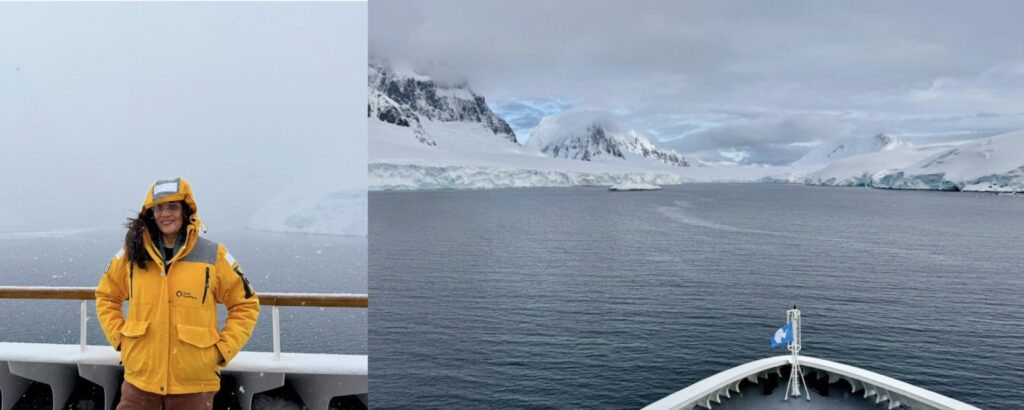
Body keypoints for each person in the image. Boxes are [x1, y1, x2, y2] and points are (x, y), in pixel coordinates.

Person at [96, 178, 259, 410]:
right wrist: (121, 339)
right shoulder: (131, 254)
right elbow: (107, 296)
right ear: (150, 213)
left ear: (185, 210)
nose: (165, 214)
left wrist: (222, 350)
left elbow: (246, 304)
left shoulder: (213, 255)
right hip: (140, 381)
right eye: (159, 207)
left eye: (172, 206)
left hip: (194, 383)